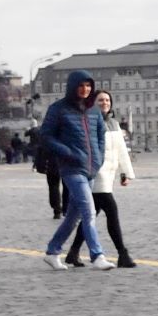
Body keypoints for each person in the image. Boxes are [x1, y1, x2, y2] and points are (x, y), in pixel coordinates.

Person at [40, 70, 114, 270]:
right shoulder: (58, 109)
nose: (85, 89)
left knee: (74, 216)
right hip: (71, 168)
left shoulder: (94, 110)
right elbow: (46, 136)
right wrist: (68, 152)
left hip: (90, 168)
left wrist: (97, 159)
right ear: (73, 87)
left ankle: (53, 251)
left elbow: (100, 135)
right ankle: (97, 255)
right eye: (81, 85)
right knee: (89, 211)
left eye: (88, 85)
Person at [66, 90, 137, 269]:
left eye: (107, 100)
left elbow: (121, 150)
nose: (105, 103)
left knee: (92, 214)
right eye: (100, 100)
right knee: (111, 210)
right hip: (95, 173)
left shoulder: (113, 123)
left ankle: (73, 252)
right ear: (92, 103)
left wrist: (125, 173)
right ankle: (123, 254)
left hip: (109, 174)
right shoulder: (88, 122)